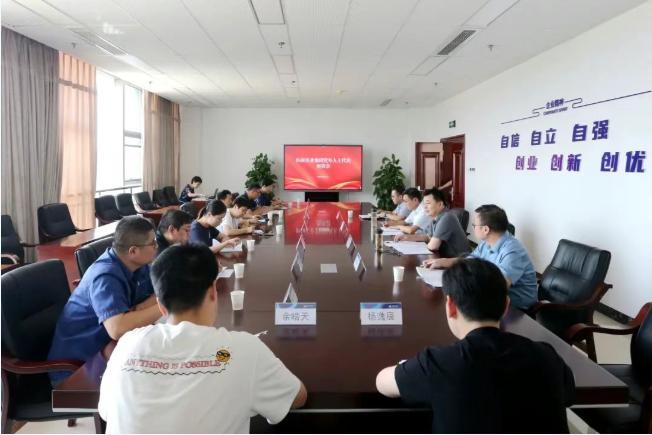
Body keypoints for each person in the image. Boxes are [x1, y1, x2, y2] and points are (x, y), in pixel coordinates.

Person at [98, 244, 308, 433]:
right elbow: (297, 397)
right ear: (213, 292)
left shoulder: (127, 345)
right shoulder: (244, 350)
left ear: (160, 306)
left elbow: (106, 412)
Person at [375, 258, 575, 433]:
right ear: (506, 306)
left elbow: (382, 382)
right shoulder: (546, 355)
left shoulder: (439, 364)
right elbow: (567, 394)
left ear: (450, 306)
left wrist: (412, 367)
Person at [48, 217, 162, 383]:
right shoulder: (105, 276)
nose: (157, 247)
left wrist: (147, 306)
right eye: (153, 243)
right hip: (77, 369)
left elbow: (155, 293)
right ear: (133, 251)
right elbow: (117, 328)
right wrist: (165, 305)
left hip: (111, 350)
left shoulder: (137, 265)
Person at [423, 204, 538, 311]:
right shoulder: (487, 242)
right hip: (492, 300)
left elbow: (498, 287)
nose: (473, 228)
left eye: (474, 226)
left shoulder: (512, 251)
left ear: (486, 229)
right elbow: (470, 260)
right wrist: (443, 262)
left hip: (516, 310)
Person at [395, 188, 470, 257]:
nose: (425, 207)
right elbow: (427, 237)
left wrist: (416, 248)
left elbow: (433, 246)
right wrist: (407, 237)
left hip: (459, 262)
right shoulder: (435, 217)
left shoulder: (447, 217)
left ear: (440, 204)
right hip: (443, 258)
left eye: (428, 203)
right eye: (424, 204)